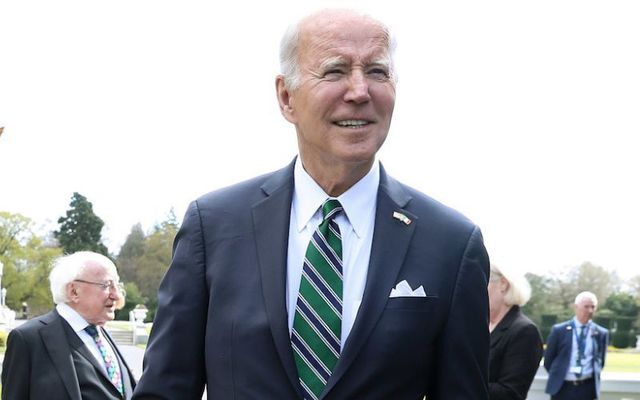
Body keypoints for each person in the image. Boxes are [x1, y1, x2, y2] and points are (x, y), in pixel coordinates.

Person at [133, 8, 490, 400]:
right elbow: (165, 390)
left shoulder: (451, 244)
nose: (359, 91)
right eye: (335, 71)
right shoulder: (215, 226)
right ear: (287, 97)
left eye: (377, 71)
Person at [1, 251, 137, 400]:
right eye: (106, 285)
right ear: (74, 291)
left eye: (117, 286)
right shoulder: (29, 339)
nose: (116, 296)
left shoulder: (104, 336)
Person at [488, 264, 543, 399]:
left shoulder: (525, 331)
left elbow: (511, 394)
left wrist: (459, 380)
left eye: (482, 282)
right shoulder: (480, 325)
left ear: (503, 284)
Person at [544, 291, 609, 400]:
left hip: (587, 389)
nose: (590, 310)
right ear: (576, 307)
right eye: (586, 307)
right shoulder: (559, 330)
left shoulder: (601, 333)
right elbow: (548, 359)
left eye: (593, 307)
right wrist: (559, 375)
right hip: (562, 388)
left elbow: (600, 362)